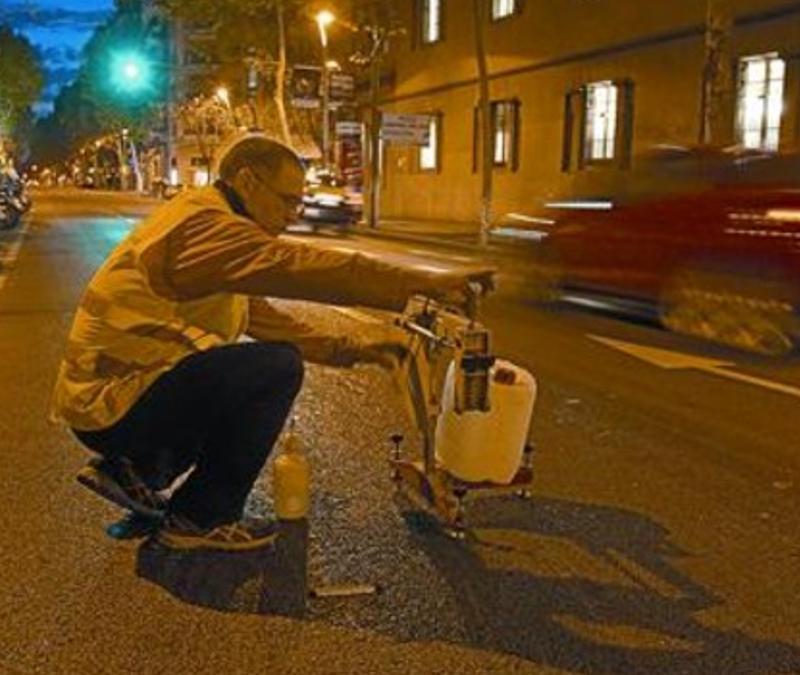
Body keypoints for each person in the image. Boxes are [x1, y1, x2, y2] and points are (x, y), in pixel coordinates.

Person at [51, 135, 492, 552]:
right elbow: (304, 268)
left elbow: (266, 320)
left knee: (246, 365)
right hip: (113, 404)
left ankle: (134, 471)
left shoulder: (209, 228)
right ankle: (202, 518)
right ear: (247, 181)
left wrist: (357, 349)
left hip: (111, 402)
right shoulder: (208, 227)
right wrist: (426, 285)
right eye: (287, 200)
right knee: (273, 369)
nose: (294, 214)